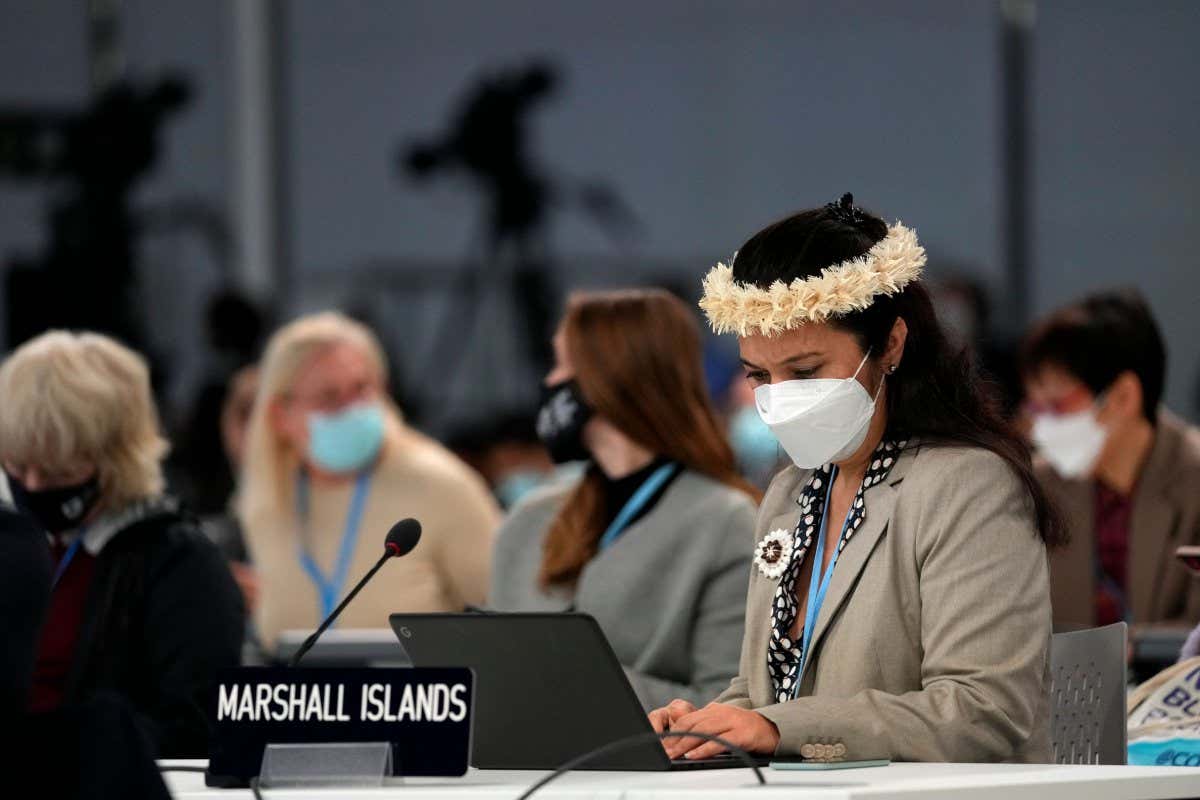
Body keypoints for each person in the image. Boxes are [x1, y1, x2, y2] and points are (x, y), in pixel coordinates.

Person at [649, 194, 1063, 764]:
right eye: (758, 375)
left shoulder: (969, 486)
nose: (778, 397)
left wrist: (768, 727)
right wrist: (702, 725)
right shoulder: (790, 495)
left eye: (805, 370)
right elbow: (770, 693)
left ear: (891, 344)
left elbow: (979, 711)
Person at [488, 289, 759, 710]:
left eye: (561, 364)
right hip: (520, 769)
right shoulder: (528, 520)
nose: (550, 384)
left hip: (657, 771)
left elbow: (727, 705)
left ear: (611, 377)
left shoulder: (726, 522)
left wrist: (577, 681)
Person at [0, 330, 245, 757]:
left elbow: (194, 725)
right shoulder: (11, 546)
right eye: (18, 467)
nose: (35, 486)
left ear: (116, 458)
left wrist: (61, 750)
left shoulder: (180, 563)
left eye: (59, 472)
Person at [236, 312, 501, 652]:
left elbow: (505, 615)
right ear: (280, 415)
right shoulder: (267, 496)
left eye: (362, 388)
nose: (353, 408)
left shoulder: (439, 484)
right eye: (329, 397)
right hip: (303, 703)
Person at [1021, 290, 1200, 627]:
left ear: (1123, 396)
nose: (1039, 428)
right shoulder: (1037, 488)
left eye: (1057, 406)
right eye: (1035, 407)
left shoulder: (1194, 480)